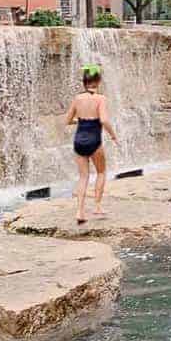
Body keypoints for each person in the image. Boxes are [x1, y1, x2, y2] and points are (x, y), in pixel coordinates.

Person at [65, 64, 118, 224]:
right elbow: (103, 120)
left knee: (83, 177)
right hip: (95, 140)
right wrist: (113, 135)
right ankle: (97, 206)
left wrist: (81, 121)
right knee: (101, 172)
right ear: (98, 81)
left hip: (79, 140)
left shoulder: (77, 99)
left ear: (84, 82)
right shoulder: (101, 99)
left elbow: (67, 120)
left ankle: (80, 211)